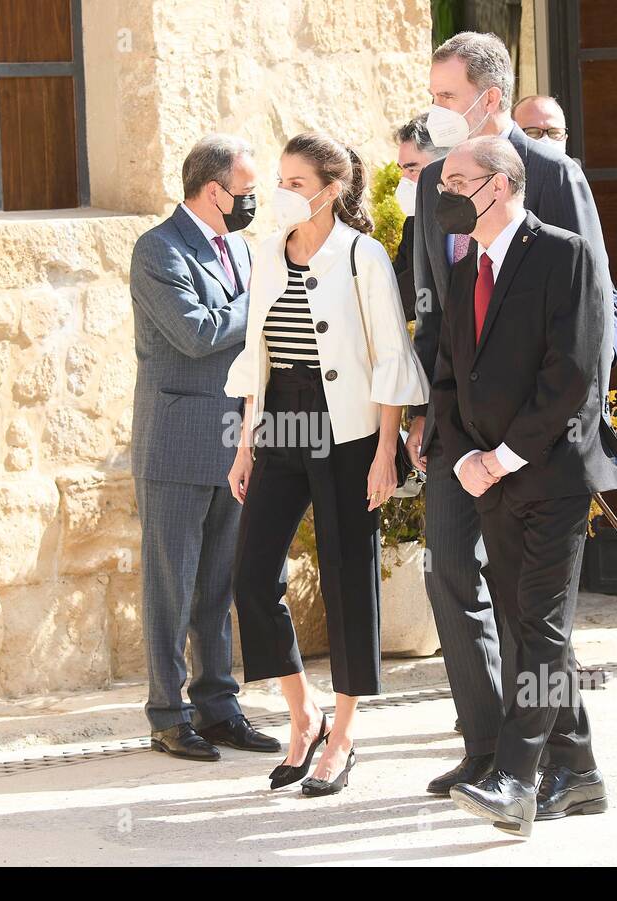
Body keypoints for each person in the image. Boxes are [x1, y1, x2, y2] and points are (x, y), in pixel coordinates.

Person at [407, 31, 617, 799]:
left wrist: (563, 427)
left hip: (541, 437)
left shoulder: (553, 175)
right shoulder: (439, 179)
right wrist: (426, 419)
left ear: (490, 100)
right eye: (431, 97)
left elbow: (598, 307)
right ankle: (489, 749)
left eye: (447, 98)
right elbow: (435, 308)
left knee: (534, 607)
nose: (435, 114)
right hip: (458, 429)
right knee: (454, 577)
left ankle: (548, 764)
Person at [225, 132, 429, 797]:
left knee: (348, 580)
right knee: (252, 574)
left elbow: (392, 357)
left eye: (294, 183)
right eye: (279, 181)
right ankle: (301, 711)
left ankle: (342, 733)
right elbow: (256, 353)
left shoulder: (361, 256)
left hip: (349, 430)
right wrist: (245, 442)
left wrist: (384, 454)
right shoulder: (267, 254)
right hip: (281, 417)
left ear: (331, 189)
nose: (282, 194)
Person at [129, 134, 280, 761]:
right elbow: (197, 333)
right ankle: (168, 713)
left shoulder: (243, 251)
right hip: (177, 441)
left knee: (219, 584)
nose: (252, 202)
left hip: (236, 443)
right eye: (244, 191)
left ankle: (218, 706)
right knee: (172, 583)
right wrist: (265, 297)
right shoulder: (158, 249)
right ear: (211, 189)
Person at [392, 116, 449, 324]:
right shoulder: (414, 223)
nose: (404, 180)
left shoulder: (470, 224)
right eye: (402, 170)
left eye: (413, 169)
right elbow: (403, 287)